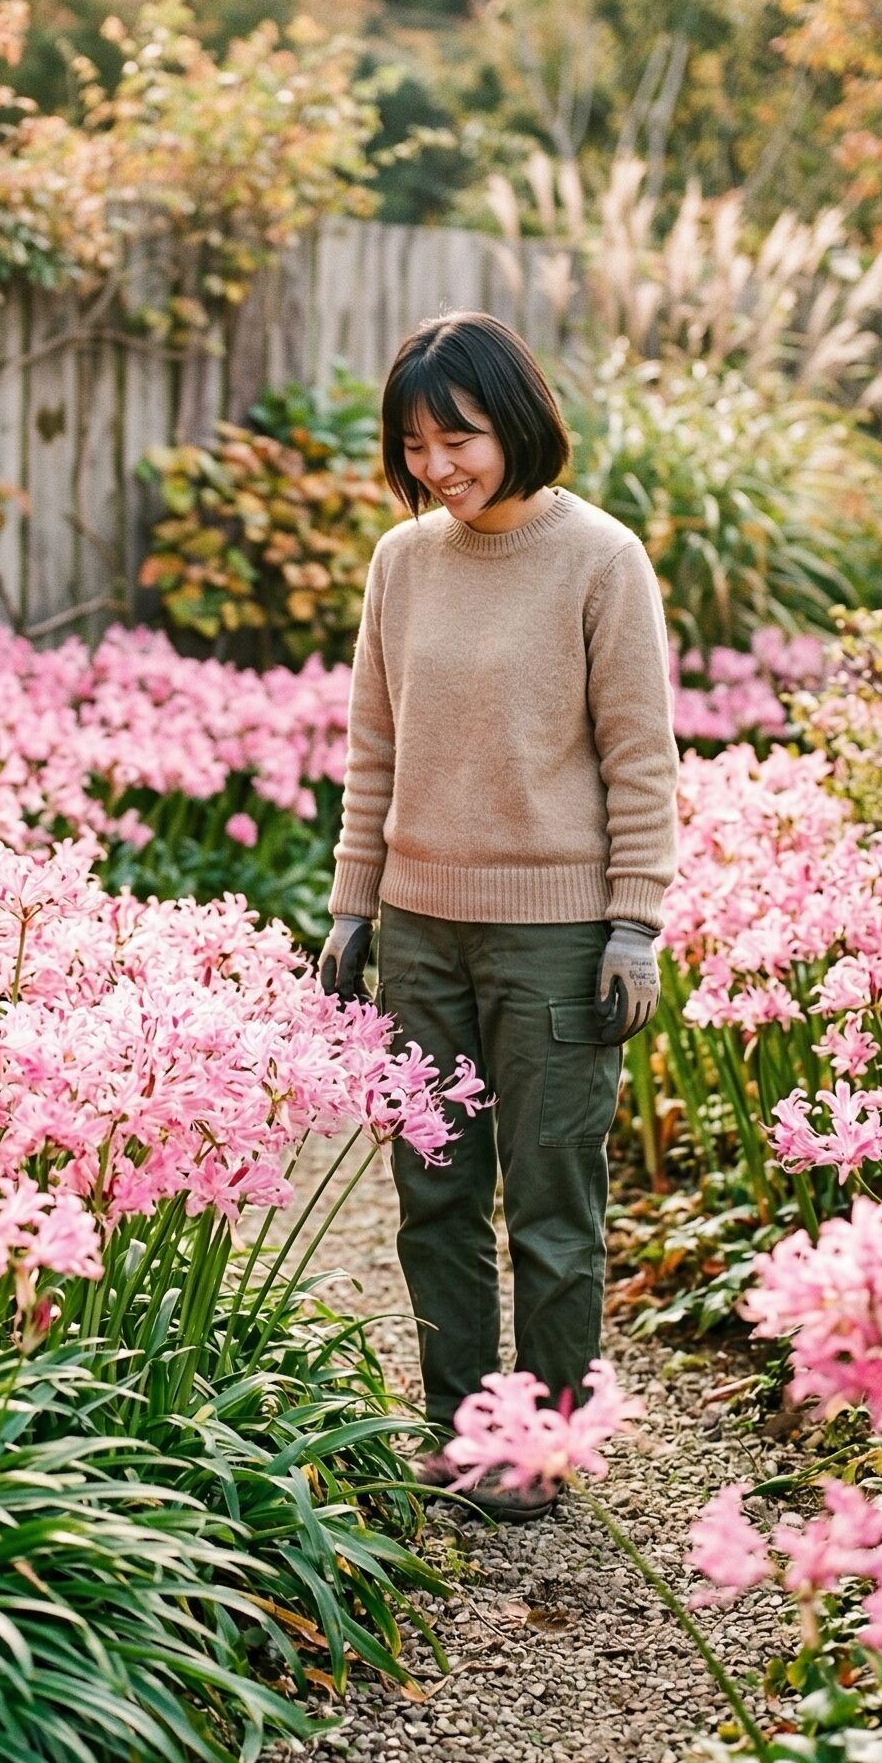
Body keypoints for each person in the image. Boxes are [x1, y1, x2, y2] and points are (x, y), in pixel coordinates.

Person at [318, 311, 677, 1522]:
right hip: (420, 927)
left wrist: (634, 923)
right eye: (412, 443)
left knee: (549, 1203)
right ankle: (459, 1425)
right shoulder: (400, 561)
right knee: (432, 1195)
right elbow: (374, 748)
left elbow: (639, 757)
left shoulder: (598, 559)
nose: (434, 466)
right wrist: (348, 908)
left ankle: (543, 1442)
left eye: (456, 437)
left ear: (514, 422)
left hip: (555, 940)